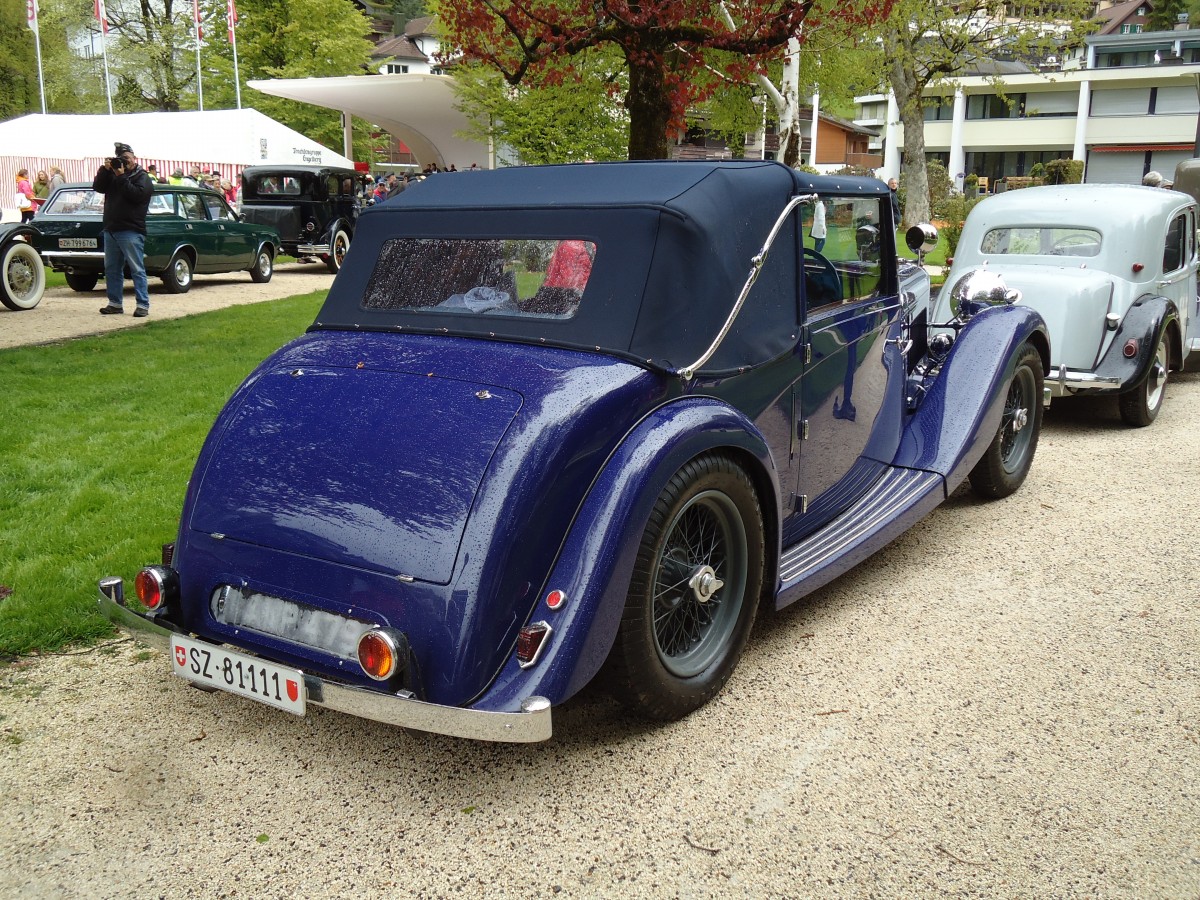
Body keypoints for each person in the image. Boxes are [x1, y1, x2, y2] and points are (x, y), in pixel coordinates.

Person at [92, 142, 154, 317]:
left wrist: (120, 175)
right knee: (111, 268)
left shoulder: (142, 178)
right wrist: (105, 170)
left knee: (136, 269)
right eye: (120, 159)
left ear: (134, 158)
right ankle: (115, 303)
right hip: (111, 228)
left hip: (131, 229)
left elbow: (136, 196)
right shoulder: (113, 175)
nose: (124, 162)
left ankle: (143, 305)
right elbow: (98, 187)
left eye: (126, 158)